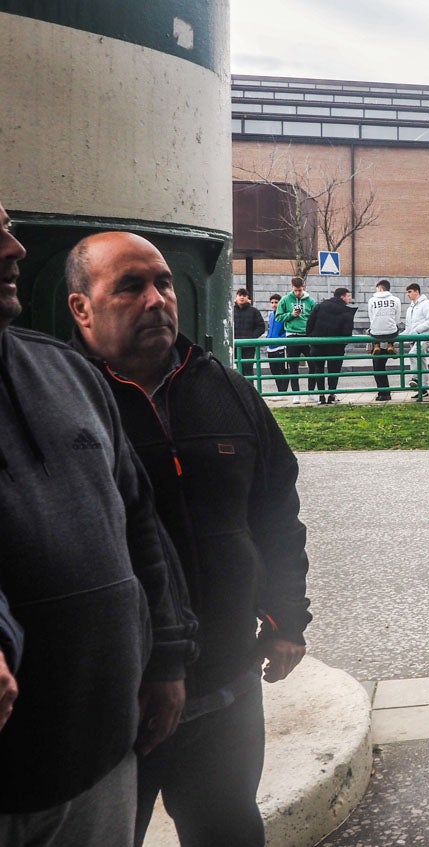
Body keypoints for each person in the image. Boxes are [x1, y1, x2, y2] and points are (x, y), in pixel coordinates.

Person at [66, 231, 313, 847]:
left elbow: (276, 509)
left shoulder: (226, 390)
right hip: (120, 708)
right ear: (81, 308)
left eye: (164, 283)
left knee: (228, 830)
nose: (156, 299)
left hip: (228, 688)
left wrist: (287, 618)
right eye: (130, 286)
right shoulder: (64, 401)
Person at [0, 206, 195, 845]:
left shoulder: (65, 374)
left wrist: (165, 659)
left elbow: (139, 525)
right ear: (83, 308)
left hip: (102, 755)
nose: (14, 248)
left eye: (9, 227)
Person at [304, 286, 356, 404]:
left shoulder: (320, 306)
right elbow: (347, 332)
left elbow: (309, 324)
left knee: (318, 369)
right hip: (336, 346)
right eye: (348, 296)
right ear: (342, 296)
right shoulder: (346, 310)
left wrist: (312, 338)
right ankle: (331, 395)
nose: (349, 298)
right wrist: (343, 342)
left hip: (318, 344)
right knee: (334, 370)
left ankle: (321, 396)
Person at [274, 277, 315, 400]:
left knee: (313, 365)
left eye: (300, 290)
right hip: (292, 335)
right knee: (293, 366)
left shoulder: (311, 301)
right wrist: (291, 315)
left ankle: (311, 393)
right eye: (296, 290)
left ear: (304, 287)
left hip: (307, 335)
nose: (298, 292)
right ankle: (296, 394)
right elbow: (278, 317)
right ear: (292, 287)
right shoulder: (285, 300)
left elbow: (314, 317)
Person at [367, 279, 403, 401]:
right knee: (380, 366)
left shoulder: (372, 300)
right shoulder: (396, 300)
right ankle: (390, 345)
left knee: (377, 367)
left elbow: (371, 318)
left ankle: (376, 345)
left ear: (380, 288)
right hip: (391, 333)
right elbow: (397, 319)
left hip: (376, 333)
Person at [403, 282, 429, 401]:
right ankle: (423, 390)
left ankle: (415, 378)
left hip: (424, 336)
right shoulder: (410, 308)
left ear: (417, 291)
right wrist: (400, 336)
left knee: (413, 354)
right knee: (422, 363)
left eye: (410, 292)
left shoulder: (426, 304)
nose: (408, 295)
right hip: (415, 337)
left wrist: (417, 331)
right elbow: (408, 327)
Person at [231, 288, 265, 377]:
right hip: (234, 345)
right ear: (236, 297)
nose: (242, 297)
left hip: (248, 347)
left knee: (248, 370)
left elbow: (261, 327)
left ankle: (248, 389)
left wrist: (251, 338)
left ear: (247, 297)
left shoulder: (254, 311)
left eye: (244, 295)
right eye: (240, 295)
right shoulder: (231, 311)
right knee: (236, 371)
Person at [265, 293, 290, 393]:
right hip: (271, 346)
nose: (274, 304)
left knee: (282, 370)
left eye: (276, 302)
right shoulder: (271, 315)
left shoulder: (284, 314)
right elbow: (270, 328)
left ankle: (283, 392)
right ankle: (280, 391)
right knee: (274, 370)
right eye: (272, 302)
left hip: (281, 346)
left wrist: (281, 338)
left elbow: (287, 329)